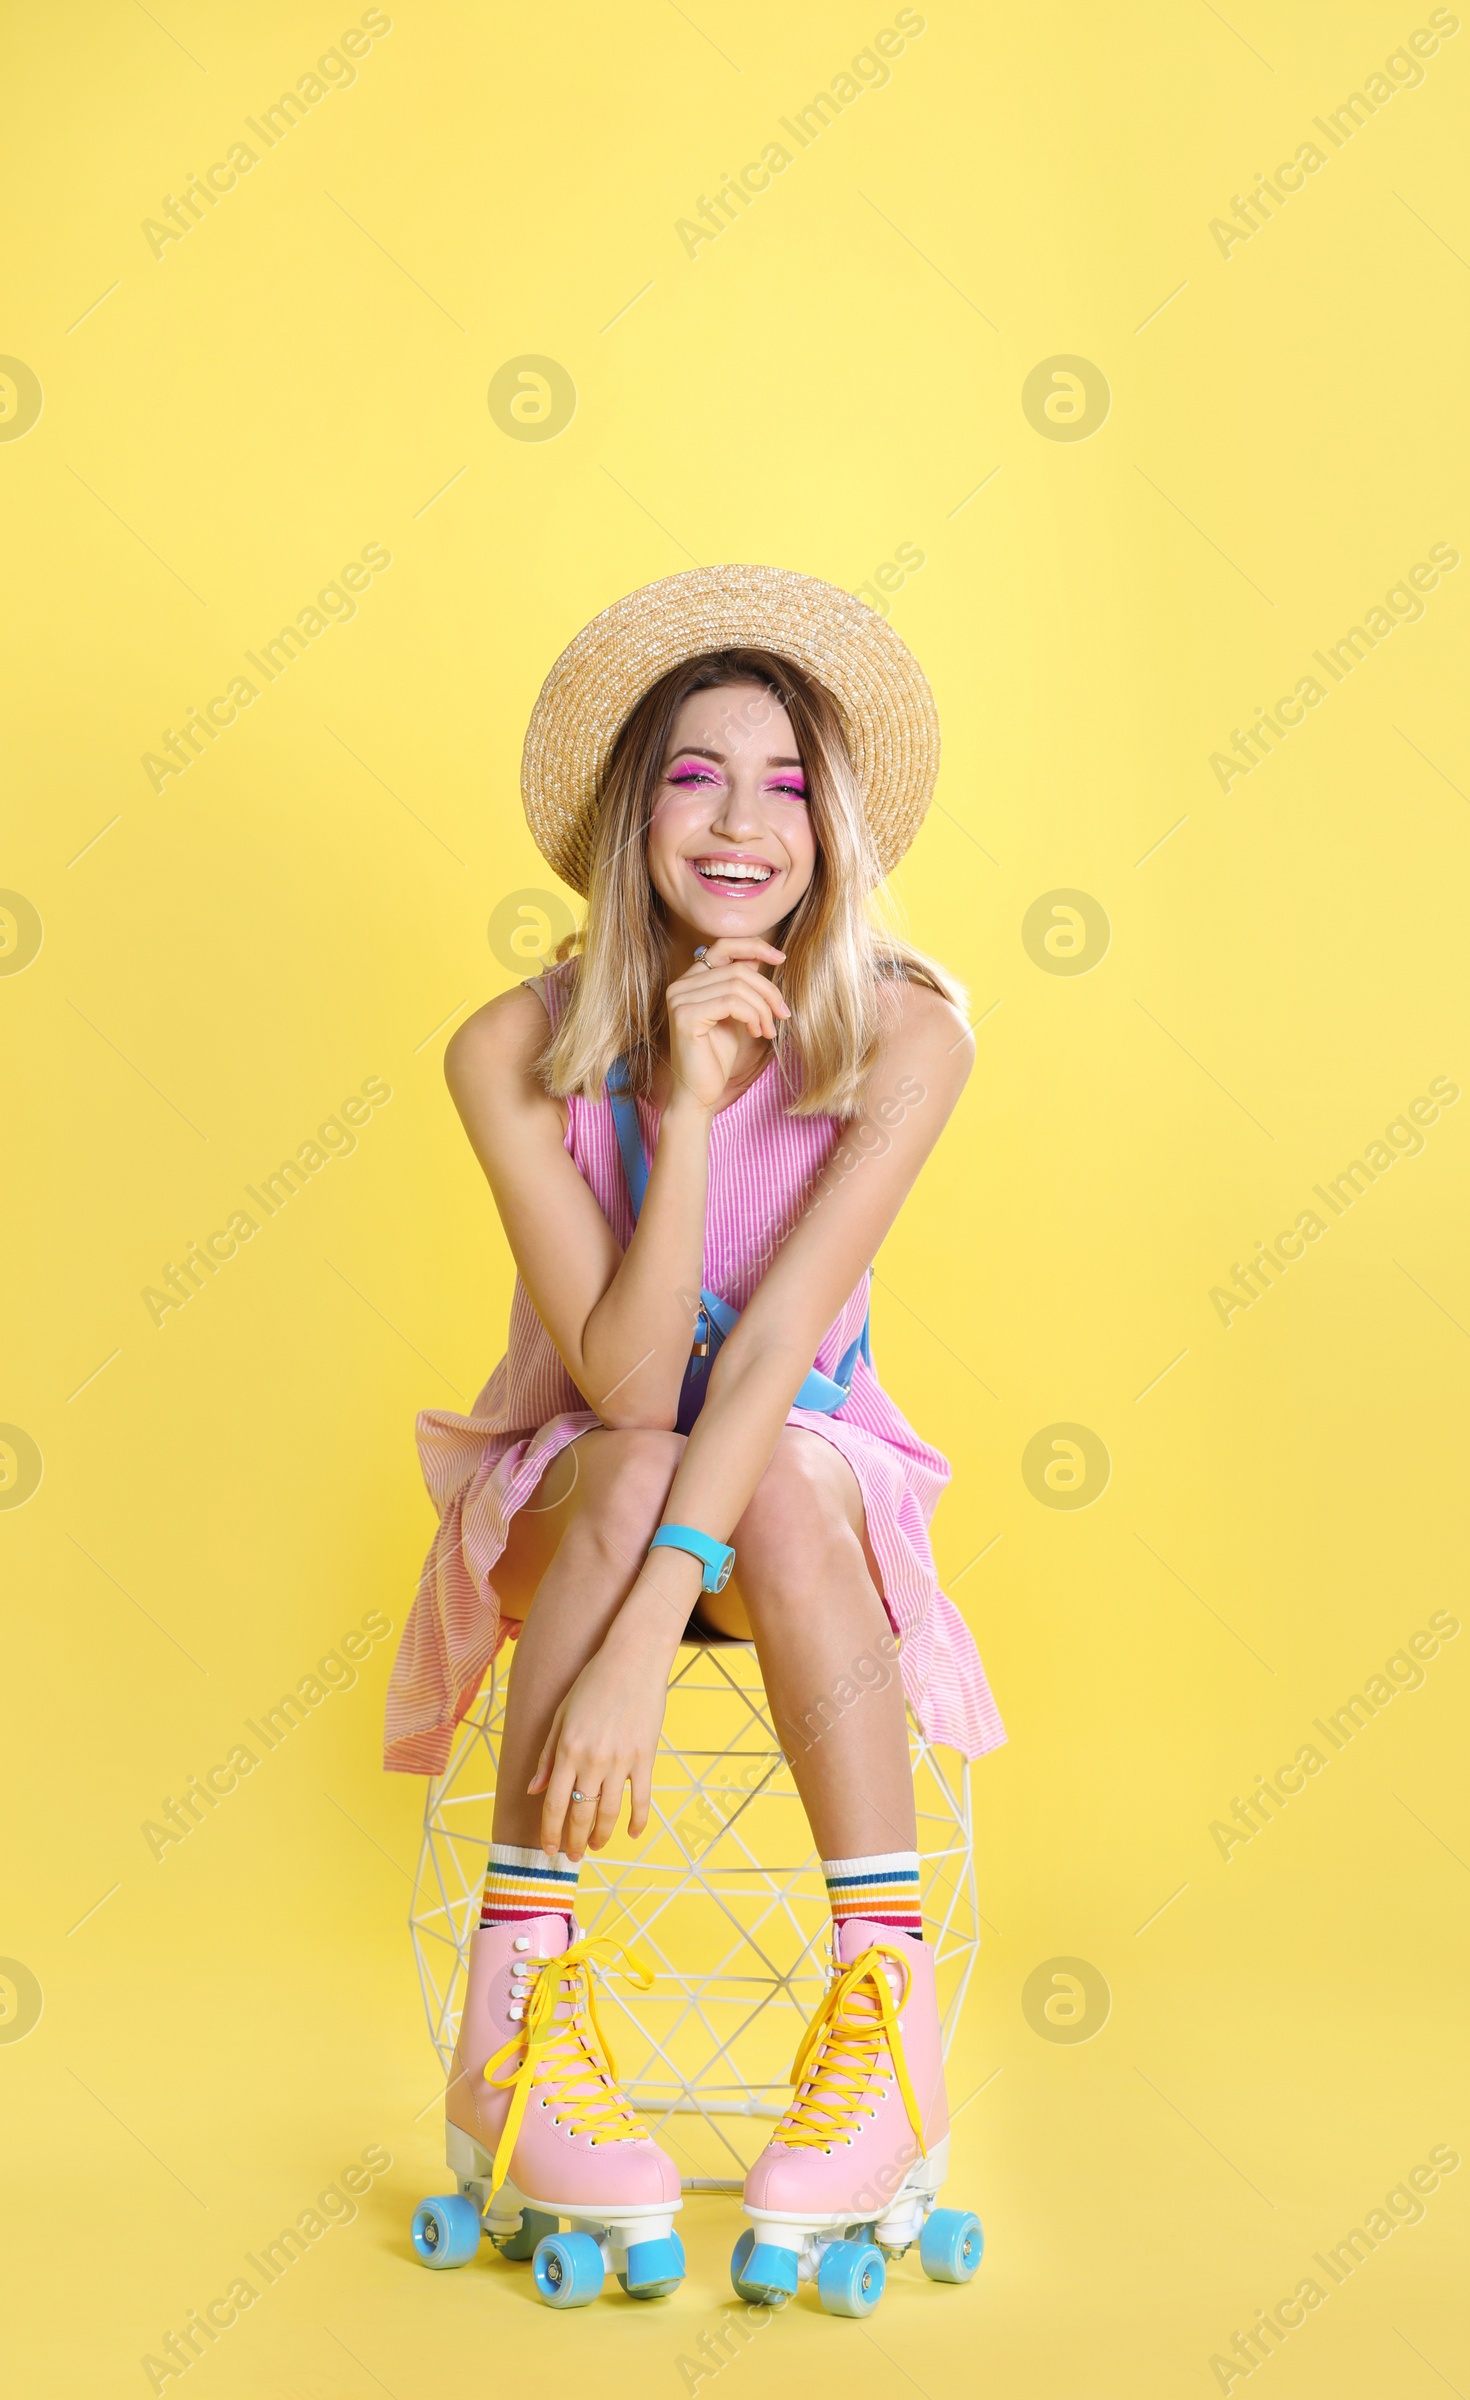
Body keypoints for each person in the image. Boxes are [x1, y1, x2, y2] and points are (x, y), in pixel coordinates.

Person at [388, 565, 1003, 2305]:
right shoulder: (510, 1049)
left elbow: (783, 1346)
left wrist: (644, 1639)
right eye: (695, 776)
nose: (747, 825)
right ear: (624, 812)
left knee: (791, 1464)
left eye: (792, 785)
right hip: (585, 1478)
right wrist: (678, 1103)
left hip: (787, 1505)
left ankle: (883, 2025)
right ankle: (516, 2018)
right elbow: (631, 1390)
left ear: (838, 829)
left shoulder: (907, 1031)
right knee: (652, 1458)